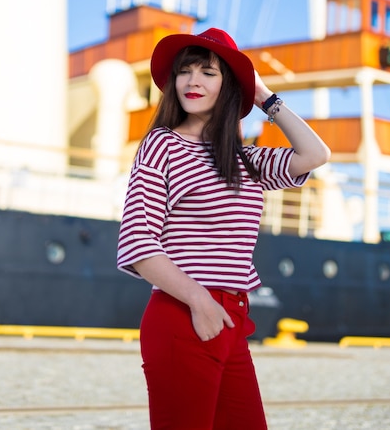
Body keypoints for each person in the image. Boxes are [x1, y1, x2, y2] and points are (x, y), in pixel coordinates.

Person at [117, 27, 330, 430]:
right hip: (184, 312)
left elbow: (315, 154)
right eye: (185, 71)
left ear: (229, 86)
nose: (192, 81)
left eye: (208, 72)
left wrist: (264, 96)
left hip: (230, 319)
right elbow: (137, 241)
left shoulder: (244, 161)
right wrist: (199, 300)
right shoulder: (161, 145)